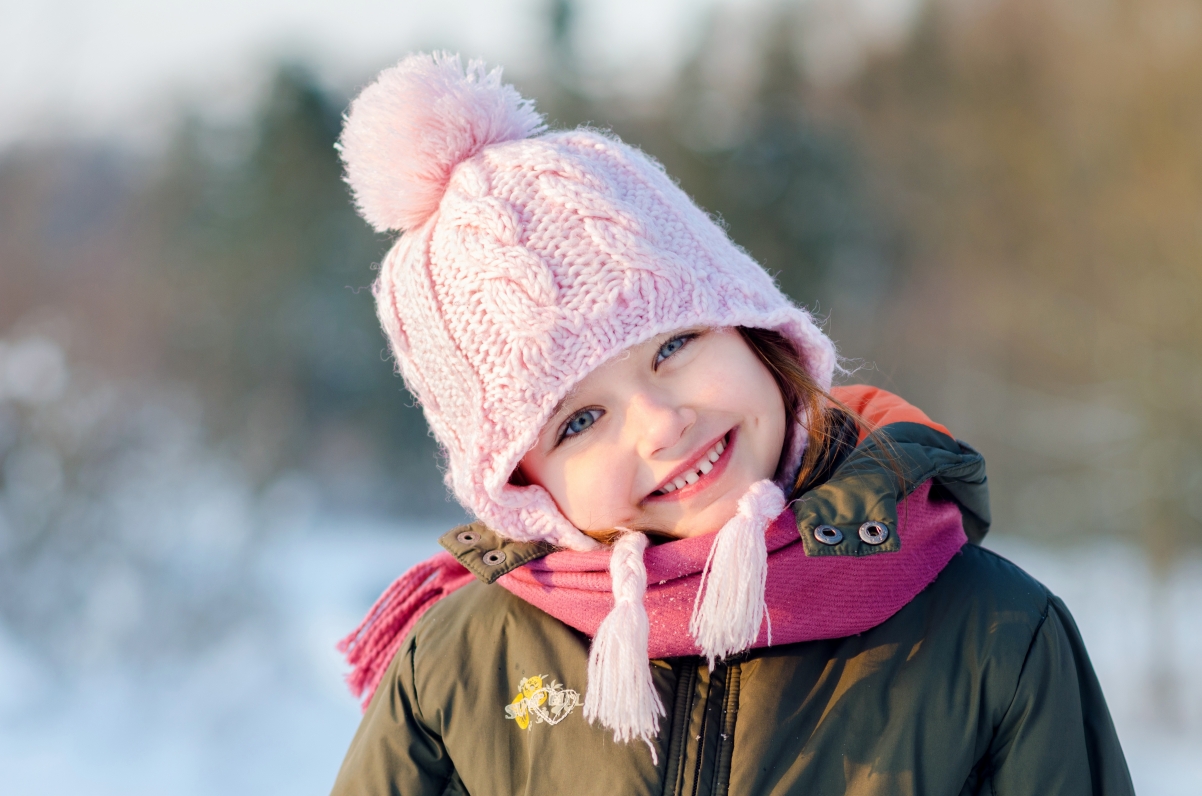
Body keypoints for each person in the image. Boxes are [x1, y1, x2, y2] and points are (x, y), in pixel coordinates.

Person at [329, 52, 1133, 795]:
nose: (659, 424)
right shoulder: (460, 666)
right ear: (522, 485)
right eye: (579, 422)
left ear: (753, 330)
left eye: (673, 345)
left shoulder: (993, 636)